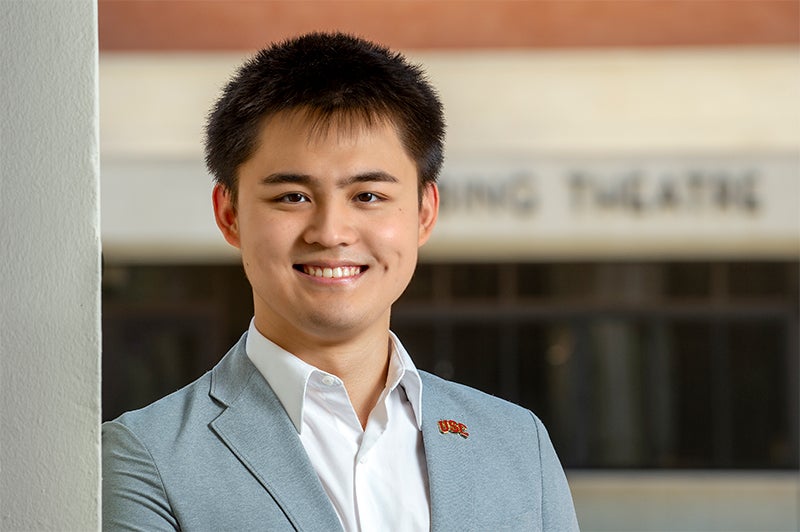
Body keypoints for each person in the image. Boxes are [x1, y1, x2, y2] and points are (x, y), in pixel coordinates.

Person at [102, 31, 579, 531]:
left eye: (368, 196)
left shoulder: (516, 441)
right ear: (230, 215)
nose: (331, 232)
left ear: (424, 212)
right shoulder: (146, 459)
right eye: (291, 196)